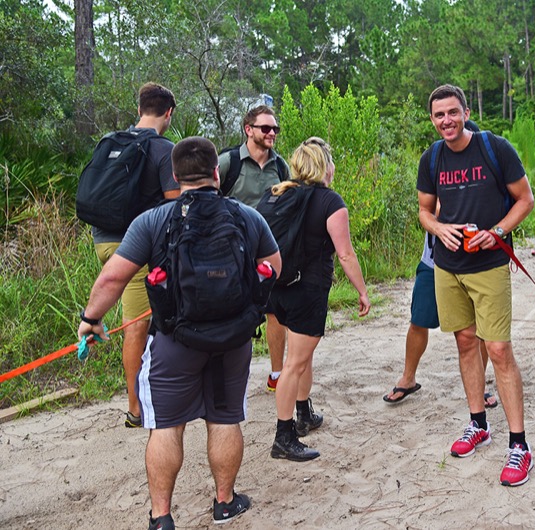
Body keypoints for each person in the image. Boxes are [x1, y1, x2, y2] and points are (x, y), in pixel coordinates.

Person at [77, 137, 281, 528]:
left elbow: (113, 277)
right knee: (224, 419)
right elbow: (275, 266)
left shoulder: (153, 221)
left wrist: (91, 320)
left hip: (175, 340)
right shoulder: (246, 217)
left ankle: (162, 517)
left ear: (175, 175)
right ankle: (224, 502)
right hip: (233, 340)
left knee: (166, 426)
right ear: (217, 173)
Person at [417, 84, 535, 487]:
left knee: (499, 349)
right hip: (447, 266)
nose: (446, 121)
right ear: (432, 120)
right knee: (466, 342)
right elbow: (424, 210)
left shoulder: (494, 148)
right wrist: (439, 228)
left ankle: (519, 445)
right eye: (438, 115)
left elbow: (525, 199)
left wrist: (497, 231)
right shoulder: (431, 158)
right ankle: (478, 424)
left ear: (465, 112)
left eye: (452, 112)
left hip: (489, 262)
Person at [269, 137, 371, 462]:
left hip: (279, 287)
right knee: (294, 363)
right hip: (308, 289)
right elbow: (345, 253)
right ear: (325, 165)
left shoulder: (279, 194)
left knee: (301, 355)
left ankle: (303, 413)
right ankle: (284, 436)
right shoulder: (330, 201)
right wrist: (362, 291)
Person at [90, 82, 180, 428]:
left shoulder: (111, 141)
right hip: (132, 249)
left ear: (139, 109)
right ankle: (135, 407)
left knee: (137, 323)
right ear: (168, 113)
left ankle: (138, 398)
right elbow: (175, 206)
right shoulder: (163, 149)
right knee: (137, 325)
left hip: (102, 240)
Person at [218, 105, 290, 392]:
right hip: (230, 252)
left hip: (267, 251)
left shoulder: (280, 166)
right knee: (231, 312)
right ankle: (228, 376)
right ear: (249, 130)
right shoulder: (228, 162)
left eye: (275, 129)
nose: (272, 133)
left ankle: (277, 374)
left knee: (275, 312)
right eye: (265, 128)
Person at [382, 233, 498, 408]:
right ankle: (408, 378)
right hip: (433, 261)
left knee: (478, 327)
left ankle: (478, 385)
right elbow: (428, 212)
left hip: (476, 263)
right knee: (419, 320)